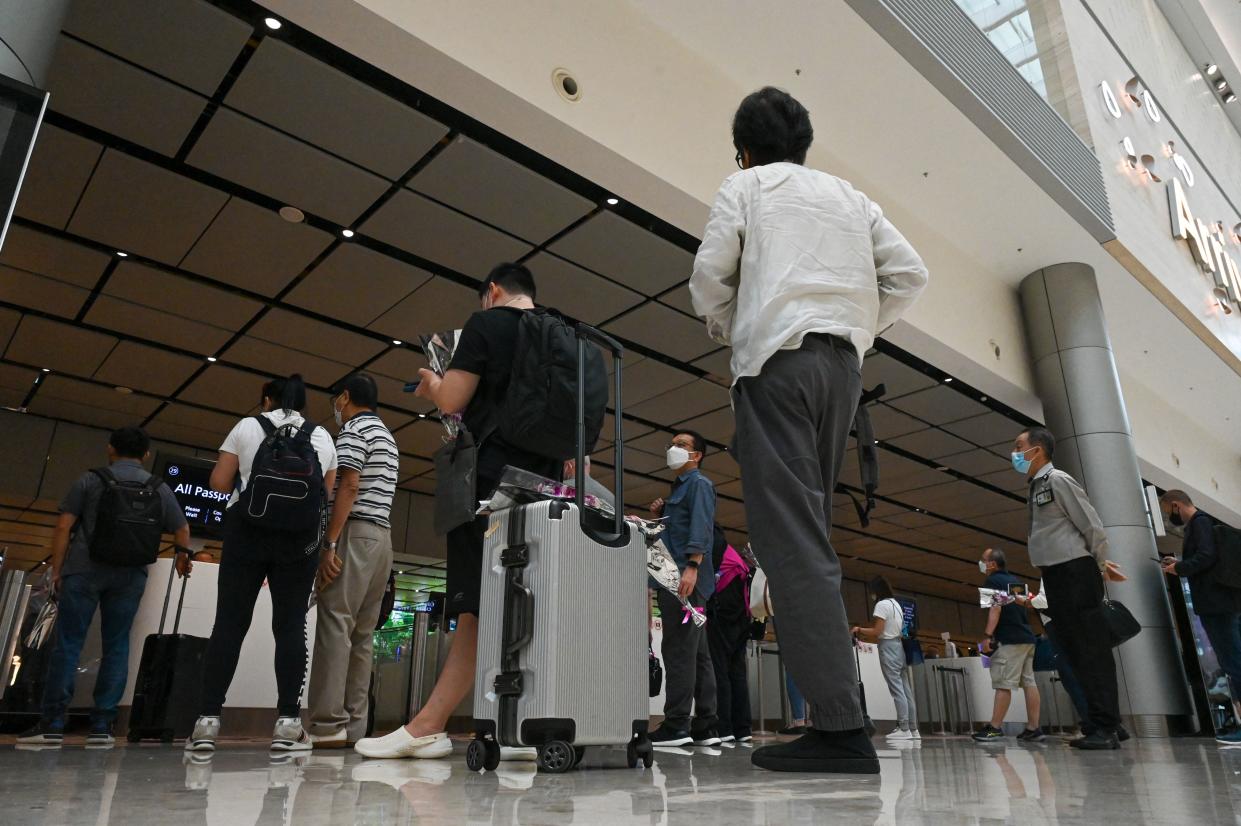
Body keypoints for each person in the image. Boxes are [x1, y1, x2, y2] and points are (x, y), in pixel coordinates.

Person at [690, 86, 928, 773]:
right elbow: (909, 273)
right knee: (810, 532)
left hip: (777, 366)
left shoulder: (745, 187)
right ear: (803, 145)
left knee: (788, 541)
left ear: (743, 148)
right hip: (843, 375)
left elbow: (708, 280)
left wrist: (734, 326)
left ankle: (839, 727)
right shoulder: (851, 196)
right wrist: (860, 328)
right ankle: (838, 718)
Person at [355, 262, 562, 760]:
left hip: (488, 481)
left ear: (492, 291)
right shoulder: (561, 334)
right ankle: (524, 723)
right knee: (530, 604)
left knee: (474, 605)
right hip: (545, 486)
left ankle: (428, 724)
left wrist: (431, 384)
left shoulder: (486, 324)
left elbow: (454, 399)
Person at [186, 374, 338, 753]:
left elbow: (220, 483)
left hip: (246, 533)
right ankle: (287, 723)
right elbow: (327, 494)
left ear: (268, 399)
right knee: (289, 626)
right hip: (298, 542)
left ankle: (207, 722)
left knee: (230, 623)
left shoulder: (247, 426)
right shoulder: (321, 437)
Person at [18, 427, 191, 746]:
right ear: (147, 455)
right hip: (130, 574)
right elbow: (182, 528)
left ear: (110, 449)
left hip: (85, 569)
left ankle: (52, 722)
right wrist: (182, 557)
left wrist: (57, 570)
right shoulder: (159, 487)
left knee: (69, 644)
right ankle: (103, 726)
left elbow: (63, 525)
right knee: (117, 645)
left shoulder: (90, 480)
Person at [1015, 426, 1127, 750]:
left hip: (1075, 572)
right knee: (1075, 652)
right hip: (1056, 575)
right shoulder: (1036, 486)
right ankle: (1103, 724)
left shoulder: (1058, 481)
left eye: (1019, 446)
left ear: (1037, 450)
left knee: (1092, 651)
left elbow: (1091, 524)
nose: (1015, 453)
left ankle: (1106, 728)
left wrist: (1101, 564)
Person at [308, 373, 399, 748]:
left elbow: (349, 484)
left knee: (334, 624)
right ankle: (355, 728)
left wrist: (329, 543)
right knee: (363, 635)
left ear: (344, 397)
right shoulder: (388, 437)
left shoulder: (353, 431)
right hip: (382, 540)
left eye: (337, 400)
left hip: (354, 531)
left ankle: (328, 726)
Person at [646, 430, 720, 747]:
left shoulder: (699, 484)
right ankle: (706, 724)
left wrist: (692, 566)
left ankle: (676, 724)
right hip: (687, 582)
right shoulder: (680, 489)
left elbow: (702, 526)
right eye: (672, 444)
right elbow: (680, 526)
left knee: (677, 649)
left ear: (697, 455)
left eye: (682, 445)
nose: (674, 448)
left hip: (683, 583)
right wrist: (659, 515)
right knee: (697, 653)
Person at [1160, 490, 1241, 746]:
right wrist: (1180, 562)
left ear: (1175, 505)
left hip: (1216, 605)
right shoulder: (1202, 524)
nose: (1169, 516)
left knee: (1234, 662)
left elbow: (1206, 557)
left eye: (1167, 511)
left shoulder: (1200, 523)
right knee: (1233, 661)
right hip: (1219, 603)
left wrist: (1180, 568)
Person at [971, 548, 1043, 743]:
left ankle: (994, 727)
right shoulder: (1015, 581)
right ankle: (1033, 727)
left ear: (992, 564)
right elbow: (1026, 606)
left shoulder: (992, 581)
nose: (981, 563)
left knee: (1003, 683)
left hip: (1009, 639)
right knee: (1029, 682)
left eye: (983, 560)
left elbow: (995, 609)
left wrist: (987, 636)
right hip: (1027, 637)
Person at [850, 577, 918, 741]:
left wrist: (858, 629)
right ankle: (913, 728)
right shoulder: (896, 604)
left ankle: (903, 727)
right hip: (899, 647)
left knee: (896, 689)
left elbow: (877, 631)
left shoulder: (881, 605)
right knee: (906, 690)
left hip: (888, 647)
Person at [706, 529, 753, 743]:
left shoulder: (713, 547)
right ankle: (742, 729)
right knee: (737, 673)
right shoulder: (732, 553)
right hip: (741, 617)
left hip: (722, 615)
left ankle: (723, 728)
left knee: (720, 671)